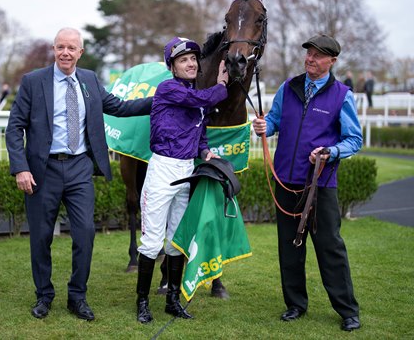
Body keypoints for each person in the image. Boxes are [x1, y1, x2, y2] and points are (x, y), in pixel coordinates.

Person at [6, 27, 152, 321]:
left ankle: (77, 297)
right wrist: (21, 167)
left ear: (80, 53)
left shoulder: (89, 80)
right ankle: (44, 296)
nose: (65, 53)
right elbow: (14, 127)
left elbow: (119, 107)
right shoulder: (34, 82)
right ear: (54, 49)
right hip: (41, 171)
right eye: (61, 47)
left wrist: (160, 99)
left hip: (79, 168)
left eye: (72, 48)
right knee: (41, 237)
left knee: (85, 233)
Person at [252, 34, 362, 332]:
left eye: (317, 55)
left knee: (330, 247)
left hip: (320, 185)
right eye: (308, 53)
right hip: (285, 182)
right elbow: (274, 121)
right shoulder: (289, 88)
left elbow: (354, 139)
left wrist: (331, 151)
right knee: (289, 248)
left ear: (332, 61)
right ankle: (295, 304)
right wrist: (264, 126)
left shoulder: (342, 95)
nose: (310, 59)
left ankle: (347, 310)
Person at [135, 37, 229, 324]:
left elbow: (200, 134)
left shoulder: (196, 95)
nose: (190, 63)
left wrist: (206, 151)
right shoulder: (168, 89)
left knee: (177, 240)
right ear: (172, 67)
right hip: (163, 170)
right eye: (183, 60)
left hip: (187, 170)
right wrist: (222, 85)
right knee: (152, 242)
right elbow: (202, 99)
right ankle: (142, 302)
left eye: (193, 59)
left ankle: (172, 300)